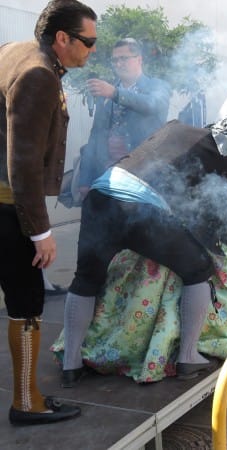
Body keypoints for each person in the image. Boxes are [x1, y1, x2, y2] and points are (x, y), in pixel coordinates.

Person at [60, 117, 227, 387]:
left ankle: (71, 365)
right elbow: (223, 216)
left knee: (86, 278)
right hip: (139, 207)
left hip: (100, 193)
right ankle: (188, 357)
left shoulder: (176, 127)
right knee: (198, 268)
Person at [0, 0, 97, 426]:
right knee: (26, 302)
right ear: (62, 38)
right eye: (88, 42)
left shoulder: (12, 50)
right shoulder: (40, 75)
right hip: (8, 207)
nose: (91, 51)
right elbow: (22, 161)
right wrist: (41, 232)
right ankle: (25, 402)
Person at [78, 38, 171, 197]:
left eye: (124, 58)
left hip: (143, 178)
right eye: (115, 60)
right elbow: (95, 136)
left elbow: (151, 104)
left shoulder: (157, 86)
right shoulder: (107, 92)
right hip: (106, 177)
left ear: (139, 59)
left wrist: (115, 93)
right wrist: (85, 180)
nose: (119, 64)